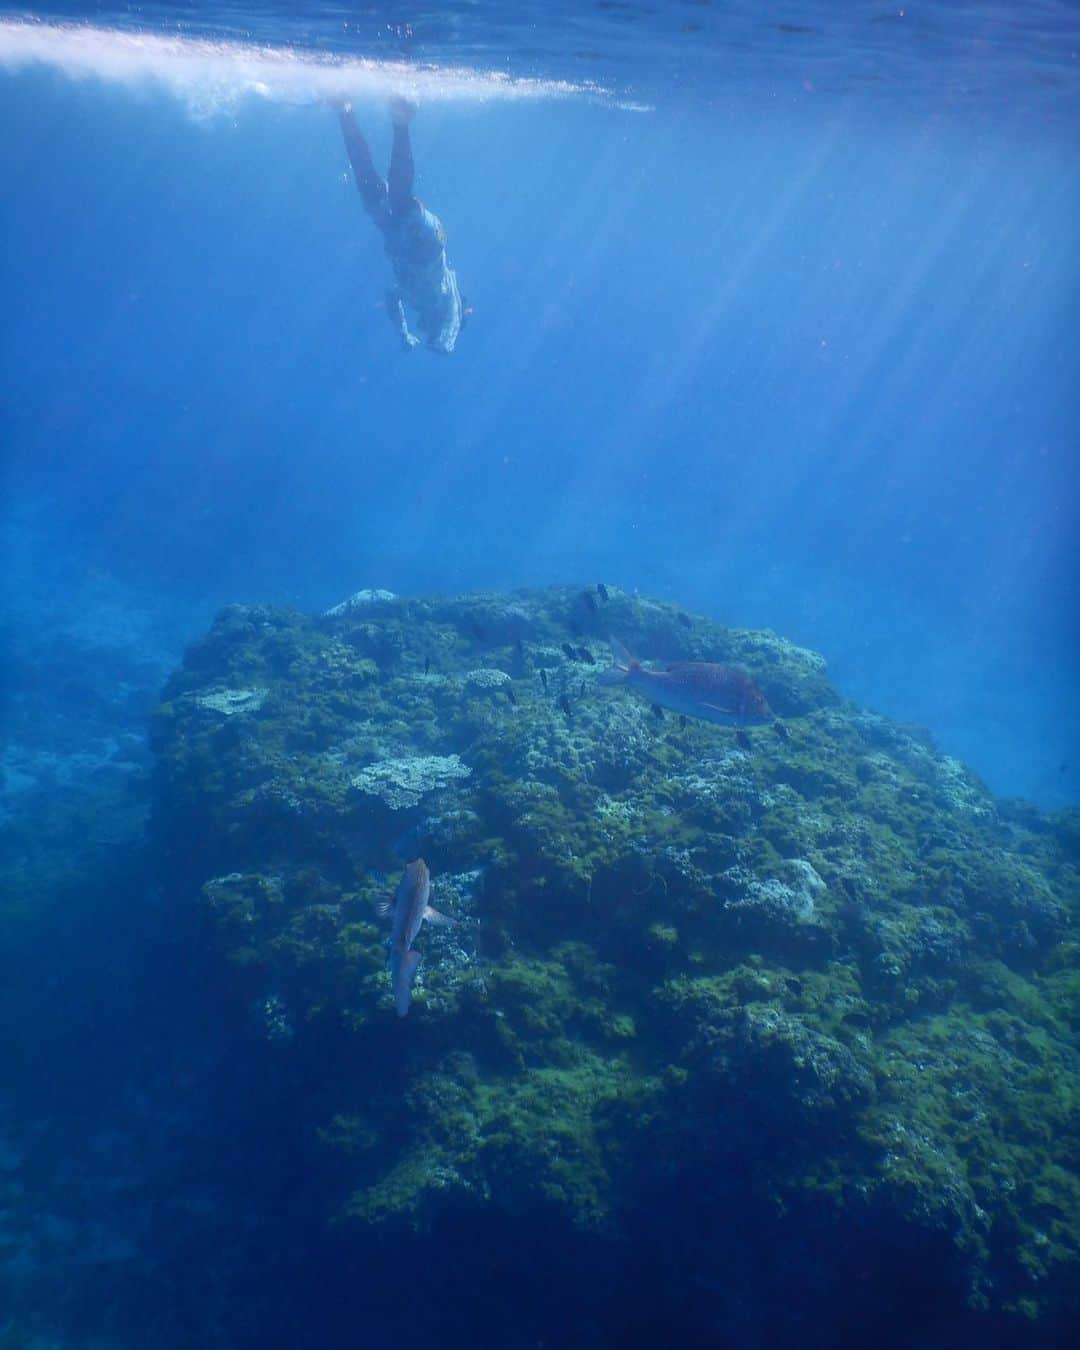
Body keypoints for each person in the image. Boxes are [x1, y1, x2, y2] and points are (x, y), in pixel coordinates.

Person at [334, 97, 467, 354]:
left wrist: (403, 332)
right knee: (400, 202)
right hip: (428, 241)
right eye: (430, 327)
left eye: (424, 328)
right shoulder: (448, 297)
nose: (426, 326)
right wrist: (446, 342)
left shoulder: (412, 298)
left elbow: (391, 298)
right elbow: (455, 314)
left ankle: (344, 111)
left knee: (372, 197)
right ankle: (401, 119)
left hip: (398, 242)